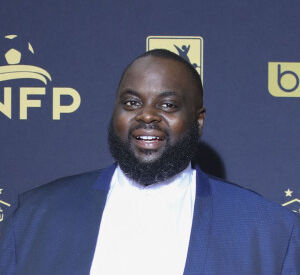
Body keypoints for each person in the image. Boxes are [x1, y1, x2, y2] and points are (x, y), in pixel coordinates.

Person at [0, 49, 299, 275]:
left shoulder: (268, 231)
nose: (146, 115)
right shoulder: (35, 217)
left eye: (167, 105)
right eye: (131, 103)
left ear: (198, 121)